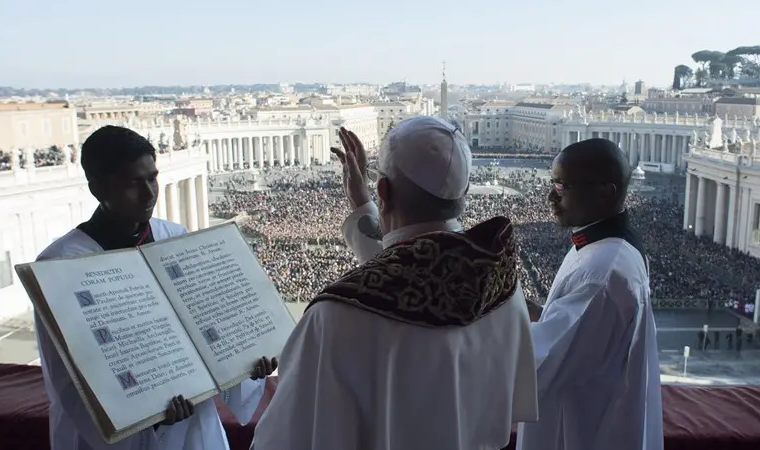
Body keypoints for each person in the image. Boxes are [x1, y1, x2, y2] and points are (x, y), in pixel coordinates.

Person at [251, 117, 538, 450]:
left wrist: (366, 205)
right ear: (464, 192)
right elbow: (418, 276)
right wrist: (363, 206)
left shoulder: (335, 318)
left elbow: (284, 438)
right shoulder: (503, 287)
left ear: (383, 190)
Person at [34, 126, 278, 450]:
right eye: (134, 183)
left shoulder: (175, 237)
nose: (149, 193)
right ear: (98, 188)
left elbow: (209, 324)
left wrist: (248, 366)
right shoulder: (61, 266)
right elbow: (69, 381)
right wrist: (147, 416)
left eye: (153, 178)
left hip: (195, 426)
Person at [518, 138, 663, 450]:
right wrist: (517, 303)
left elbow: (535, 369)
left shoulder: (602, 272)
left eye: (561, 186)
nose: (550, 196)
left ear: (605, 192)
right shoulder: (603, 247)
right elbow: (575, 330)